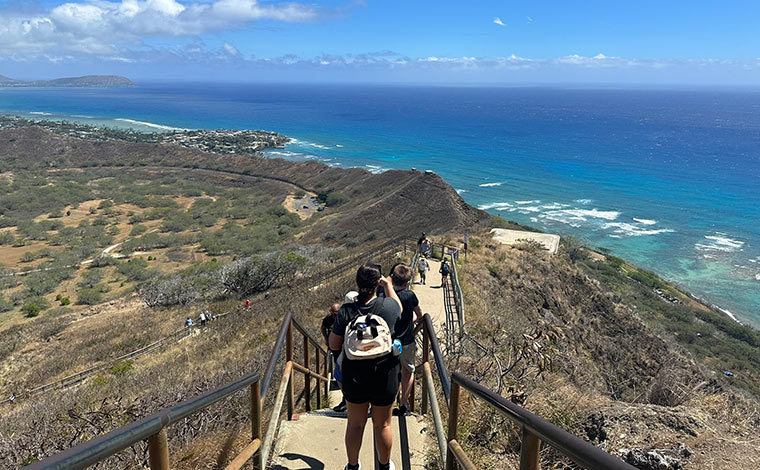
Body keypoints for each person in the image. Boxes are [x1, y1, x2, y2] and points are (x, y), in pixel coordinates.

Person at [329, 264, 402, 470]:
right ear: (377, 283)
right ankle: (384, 466)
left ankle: (352, 466)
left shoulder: (346, 311)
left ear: (357, 283)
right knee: (383, 425)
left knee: (355, 424)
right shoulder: (388, 306)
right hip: (384, 373)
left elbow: (333, 344)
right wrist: (387, 286)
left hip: (354, 375)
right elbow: (399, 308)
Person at [387, 264, 422, 416]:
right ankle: (403, 404)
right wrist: (415, 319)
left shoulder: (385, 294)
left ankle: (387, 405)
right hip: (406, 341)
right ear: (407, 283)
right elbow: (419, 314)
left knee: (390, 372)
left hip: (390, 341)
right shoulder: (410, 296)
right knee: (408, 371)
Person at [322, 302, 347, 412]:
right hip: (335, 346)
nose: (333, 314)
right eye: (332, 312)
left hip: (344, 346)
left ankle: (347, 399)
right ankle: (345, 397)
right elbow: (323, 327)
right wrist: (326, 339)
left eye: (335, 312)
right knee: (338, 366)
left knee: (342, 369)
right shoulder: (328, 319)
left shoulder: (343, 317)